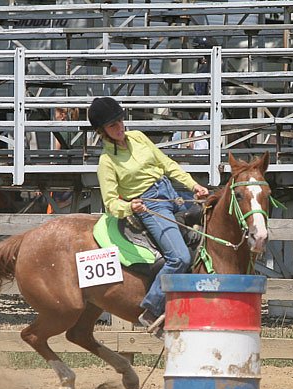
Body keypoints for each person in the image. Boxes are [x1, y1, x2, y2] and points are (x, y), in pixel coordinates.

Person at [87, 96, 209, 336]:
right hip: (152, 206)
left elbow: (166, 164)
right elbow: (111, 203)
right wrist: (131, 207)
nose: (120, 128)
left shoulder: (139, 138)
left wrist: (193, 185)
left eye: (120, 121)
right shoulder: (107, 161)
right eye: (113, 126)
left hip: (173, 194)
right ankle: (152, 309)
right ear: (102, 132)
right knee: (180, 257)